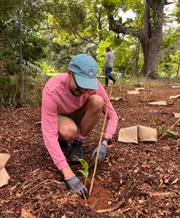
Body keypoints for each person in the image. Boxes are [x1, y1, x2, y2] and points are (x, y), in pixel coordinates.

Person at [41, 54, 118, 197]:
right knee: (68, 131)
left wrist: (106, 142)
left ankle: (78, 143)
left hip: (79, 115)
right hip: (61, 118)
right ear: (69, 73)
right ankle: (63, 140)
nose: (83, 90)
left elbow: (113, 116)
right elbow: (48, 134)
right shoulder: (53, 89)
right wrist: (68, 173)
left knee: (98, 101)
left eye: (87, 85)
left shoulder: (94, 87)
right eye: (80, 84)